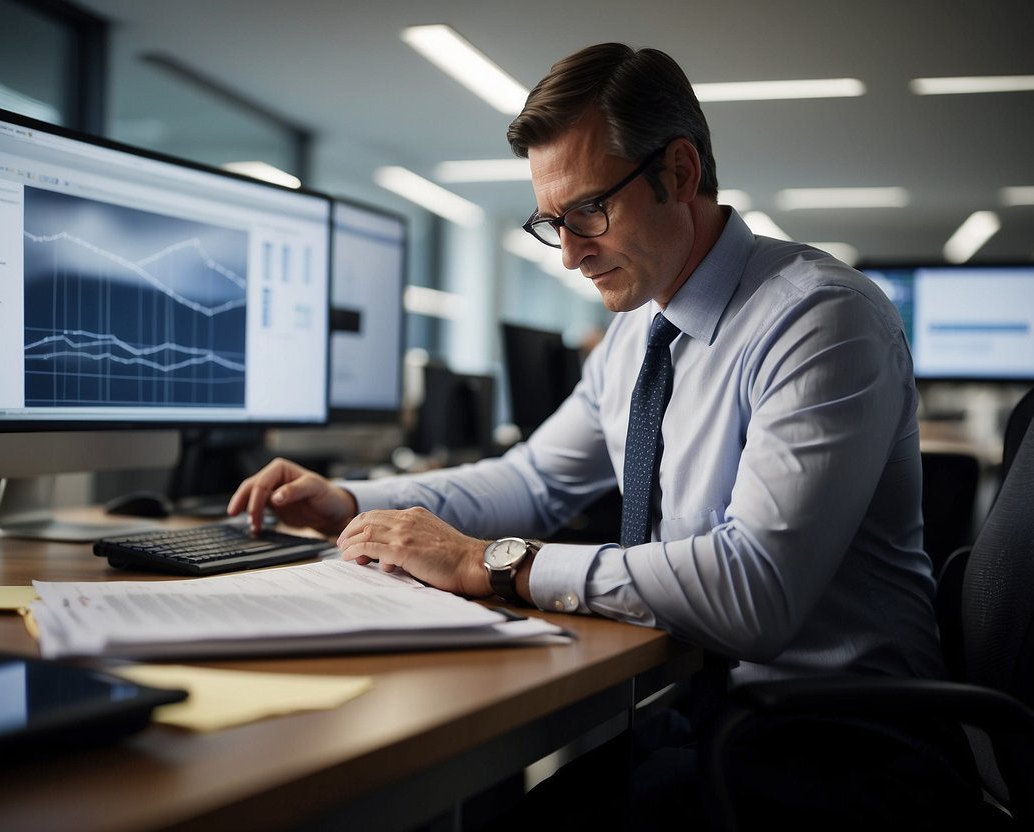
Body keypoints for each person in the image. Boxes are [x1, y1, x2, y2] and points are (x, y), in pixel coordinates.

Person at [230, 43, 980, 829]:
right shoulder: (636, 331)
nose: (567, 254)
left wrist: (485, 562)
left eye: (587, 211)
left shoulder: (820, 319)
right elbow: (530, 482)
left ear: (679, 173)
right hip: (710, 723)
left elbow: (754, 592)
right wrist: (349, 500)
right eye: (550, 223)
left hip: (842, 751)